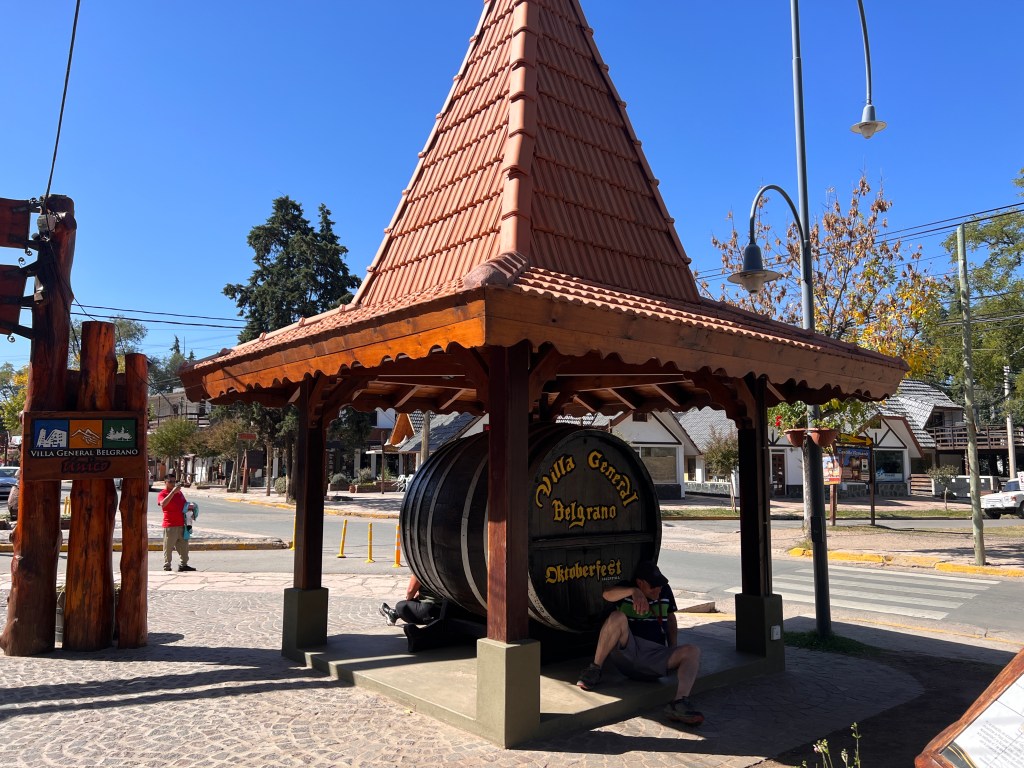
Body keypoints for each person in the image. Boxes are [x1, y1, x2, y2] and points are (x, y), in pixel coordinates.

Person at [576, 560, 703, 726]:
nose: (658, 589)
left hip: (656, 656)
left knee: (692, 651)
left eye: (660, 585)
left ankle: (679, 703)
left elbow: (670, 618)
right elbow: (607, 594)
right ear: (640, 583)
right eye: (653, 586)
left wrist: (673, 646)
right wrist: (633, 591)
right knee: (616, 617)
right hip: (629, 653)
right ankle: (594, 669)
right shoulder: (627, 589)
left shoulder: (664, 591)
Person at [157, 473, 195, 572]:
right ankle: (167, 566)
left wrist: (191, 510)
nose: (173, 484)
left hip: (182, 524)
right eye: (170, 482)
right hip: (170, 525)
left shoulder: (179, 493)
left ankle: (184, 565)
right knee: (168, 547)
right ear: (165, 482)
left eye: (174, 481)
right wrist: (172, 492)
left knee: (184, 546)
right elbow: (163, 504)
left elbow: (185, 506)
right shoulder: (163, 493)